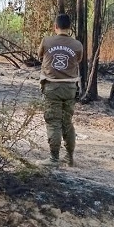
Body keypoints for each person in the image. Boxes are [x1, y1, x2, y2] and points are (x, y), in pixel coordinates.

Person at [38, 13, 83, 166]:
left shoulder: (47, 41)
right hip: (70, 88)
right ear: (69, 27)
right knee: (67, 122)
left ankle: (54, 158)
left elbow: (40, 56)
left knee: (53, 122)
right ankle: (70, 158)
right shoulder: (77, 45)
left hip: (52, 87)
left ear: (55, 26)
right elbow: (78, 60)